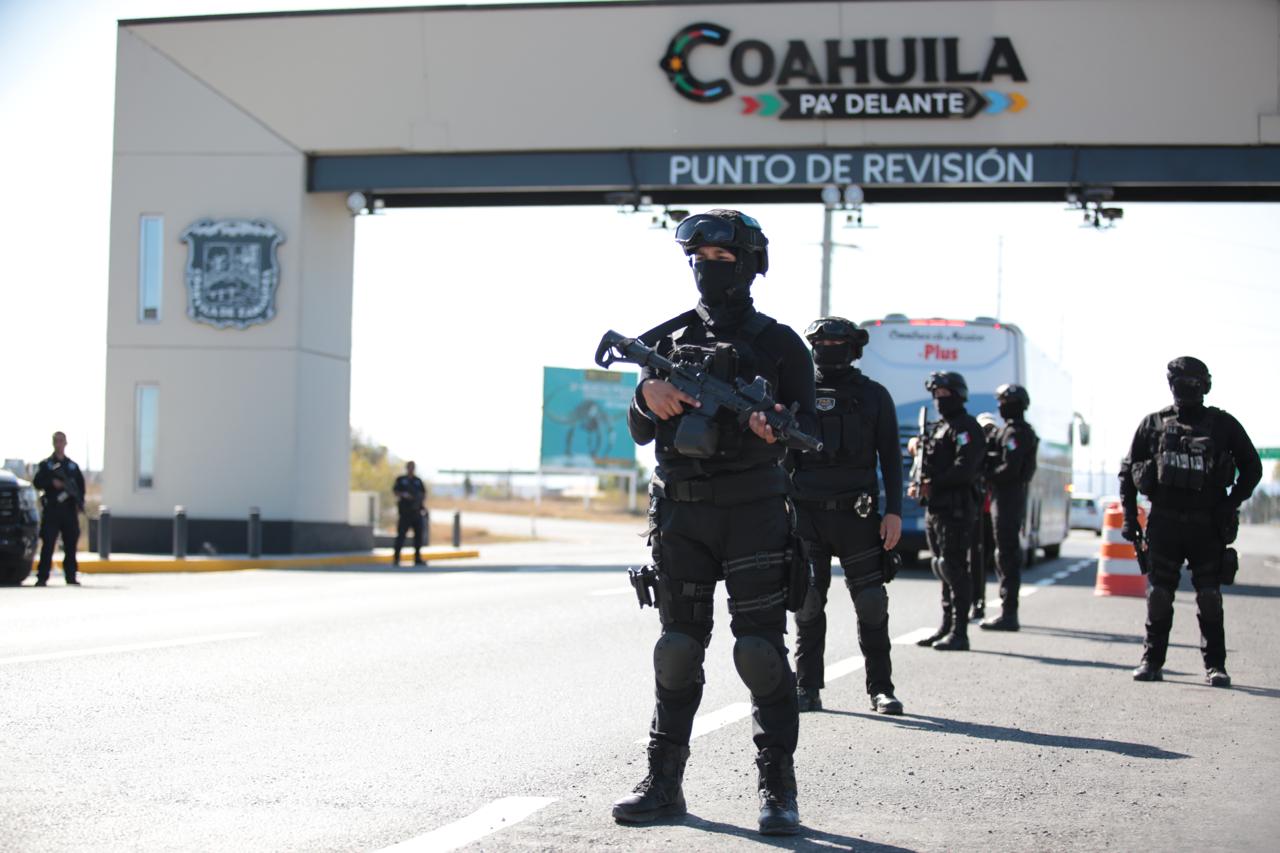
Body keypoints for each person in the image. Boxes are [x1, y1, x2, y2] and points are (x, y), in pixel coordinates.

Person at [611, 210, 816, 835]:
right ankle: (662, 783)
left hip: (754, 512)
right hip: (682, 512)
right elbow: (640, 430)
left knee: (759, 652)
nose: (708, 268)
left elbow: (811, 433)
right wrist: (644, 395)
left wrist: (772, 427)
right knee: (677, 649)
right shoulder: (667, 340)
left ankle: (778, 790)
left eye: (722, 259)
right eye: (698, 258)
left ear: (751, 265)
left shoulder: (781, 344)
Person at [1119, 357, 1261, 687]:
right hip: (1165, 524)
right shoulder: (1153, 423)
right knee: (1159, 596)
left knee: (1209, 596)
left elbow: (1252, 468)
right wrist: (1129, 517)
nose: (1185, 389)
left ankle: (1216, 666)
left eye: (1192, 383)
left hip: (1206, 524)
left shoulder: (1223, 425)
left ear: (1205, 386)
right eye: (1180, 383)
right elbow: (1128, 470)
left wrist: (1229, 504)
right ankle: (1151, 661)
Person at [788, 316, 904, 716]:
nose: (829, 349)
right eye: (821, 343)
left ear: (854, 349)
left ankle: (881, 689)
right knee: (807, 603)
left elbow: (891, 458)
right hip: (806, 515)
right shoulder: (796, 393)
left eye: (838, 344)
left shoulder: (874, 396)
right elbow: (777, 454)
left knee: (871, 603)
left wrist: (894, 512)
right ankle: (806, 688)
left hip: (858, 515)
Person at [909, 372, 984, 651]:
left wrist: (933, 483)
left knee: (955, 568)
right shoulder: (940, 427)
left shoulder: (966, 427)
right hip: (935, 508)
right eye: (936, 395)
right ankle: (946, 625)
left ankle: (960, 632)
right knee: (941, 566)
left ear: (958, 395)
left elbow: (965, 467)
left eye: (944, 394)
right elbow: (927, 461)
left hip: (956, 509)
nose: (939, 399)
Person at [980, 384, 1039, 632]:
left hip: (1008, 498)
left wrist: (986, 474)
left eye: (1003, 403)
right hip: (1003, 497)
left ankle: (1009, 613)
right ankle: (1007, 610)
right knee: (1002, 554)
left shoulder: (1017, 433)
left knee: (1006, 555)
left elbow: (1010, 469)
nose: (1000, 407)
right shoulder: (1008, 431)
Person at [32, 431, 85, 586]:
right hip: (52, 509)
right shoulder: (46, 465)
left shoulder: (72, 467)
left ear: (66, 443)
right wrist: (52, 483)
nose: (59, 444)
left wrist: (79, 503)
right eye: (56, 441)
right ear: (53, 443)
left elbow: (80, 489)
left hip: (68, 511)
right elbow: (37, 482)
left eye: (62, 441)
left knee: (70, 544)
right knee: (48, 543)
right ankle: (42, 577)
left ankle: (71, 576)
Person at [968, 411, 1001, 622]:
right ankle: (976, 602)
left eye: (990, 430)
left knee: (991, 558)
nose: (987, 434)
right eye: (983, 430)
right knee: (974, 559)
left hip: (993, 514)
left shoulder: (999, 452)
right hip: (975, 512)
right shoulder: (973, 451)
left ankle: (996, 604)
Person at [392, 461, 427, 566]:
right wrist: (404, 495)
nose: (411, 469)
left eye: (413, 467)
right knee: (401, 536)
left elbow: (423, 494)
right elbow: (395, 491)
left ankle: (417, 558)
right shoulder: (401, 480)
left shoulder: (418, 481)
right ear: (407, 468)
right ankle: (396, 558)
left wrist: (421, 504)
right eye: (409, 467)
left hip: (416, 512)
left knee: (418, 536)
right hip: (405, 513)